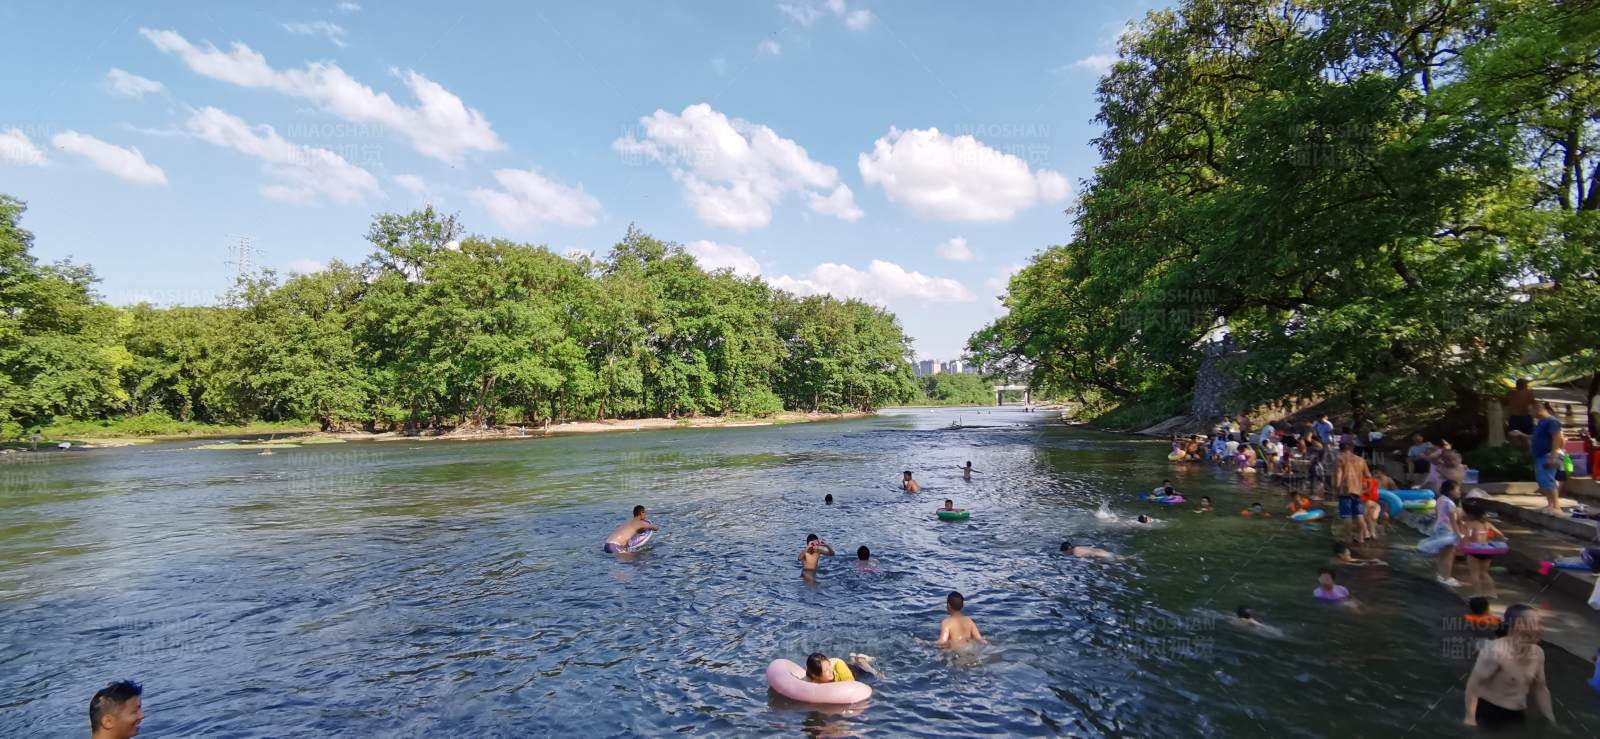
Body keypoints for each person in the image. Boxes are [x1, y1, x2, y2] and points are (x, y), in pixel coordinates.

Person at [1463, 604, 1556, 729]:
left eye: (1540, 624)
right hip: (1489, 715)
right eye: (1535, 623)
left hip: (1517, 715)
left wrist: (1551, 719)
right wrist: (1470, 718)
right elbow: (1473, 685)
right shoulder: (1495, 651)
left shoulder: (1538, 653)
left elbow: (1540, 688)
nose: (1540, 628)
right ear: (1518, 625)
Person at [1461, 500, 1504, 599]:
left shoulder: (1470, 524)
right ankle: (1492, 593)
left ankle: (1478, 593)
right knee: (1484, 573)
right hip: (1486, 551)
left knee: (1474, 573)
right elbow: (1500, 534)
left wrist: (1462, 544)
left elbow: (1467, 536)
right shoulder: (1487, 524)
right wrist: (1501, 543)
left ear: (1470, 514)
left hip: (1474, 551)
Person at [1530, 402, 1564, 514]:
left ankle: (1557, 506)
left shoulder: (1552, 421)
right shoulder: (1541, 422)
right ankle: (1550, 504)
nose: (1531, 413)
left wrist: (1553, 456)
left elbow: (1557, 438)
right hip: (1540, 456)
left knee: (1548, 480)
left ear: (1539, 409)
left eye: (1532, 411)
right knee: (1542, 481)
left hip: (1548, 455)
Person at [1432, 480, 1466, 587]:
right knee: (1449, 555)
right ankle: (1446, 577)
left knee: (1442, 554)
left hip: (1439, 528)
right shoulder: (1450, 504)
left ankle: (1440, 575)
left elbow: (1437, 515)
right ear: (1451, 491)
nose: (1459, 492)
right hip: (1447, 530)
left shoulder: (1440, 499)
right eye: (1458, 489)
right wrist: (1458, 535)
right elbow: (1453, 521)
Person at [804, 651, 878, 683]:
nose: (830, 670)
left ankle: (862, 660)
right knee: (852, 664)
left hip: (856, 673)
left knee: (873, 675)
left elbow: (851, 686)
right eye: (826, 671)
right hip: (848, 667)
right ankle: (854, 659)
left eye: (829, 665)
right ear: (815, 676)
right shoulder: (811, 676)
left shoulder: (842, 673)